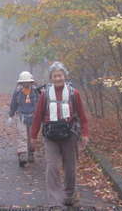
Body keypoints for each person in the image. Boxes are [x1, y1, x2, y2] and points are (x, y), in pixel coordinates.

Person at [30, 62, 89, 207]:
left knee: (70, 167)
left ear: (65, 76)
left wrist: (85, 134)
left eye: (60, 75)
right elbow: (38, 116)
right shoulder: (44, 94)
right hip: (50, 135)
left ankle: (69, 195)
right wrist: (33, 136)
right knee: (52, 166)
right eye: (55, 76)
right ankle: (54, 201)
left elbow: (82, 116)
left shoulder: (74, 93)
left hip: (70, 134)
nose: (58, 78)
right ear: (51, 78)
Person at [8, 71, 39, 166]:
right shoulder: (17, 92)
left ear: (31, 82)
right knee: (22, 136)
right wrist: (11, 115)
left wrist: (40, 116)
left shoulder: (36, 91)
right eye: (24, 82)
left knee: (31, 136)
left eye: (28, 81)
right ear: (21, 82)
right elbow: (13, 104)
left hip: (33, 116)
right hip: (21, 116)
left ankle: (31, 153)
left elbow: (40, 104)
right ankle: (22, 156)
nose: (26, 83)